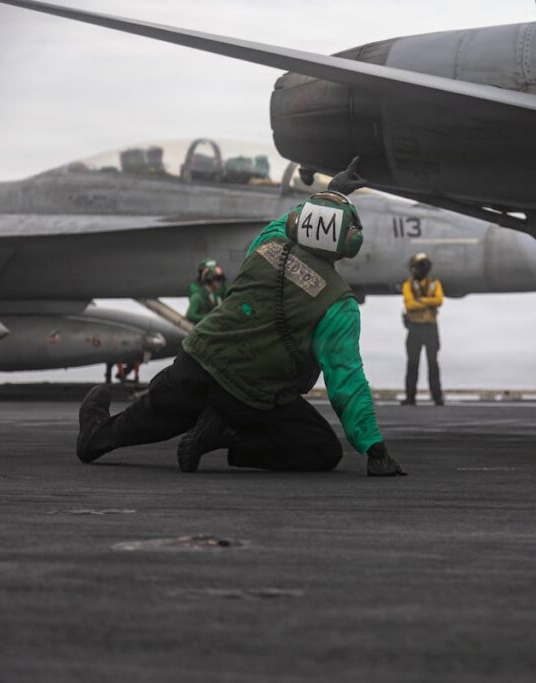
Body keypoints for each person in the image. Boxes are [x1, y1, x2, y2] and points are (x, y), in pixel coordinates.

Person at [75, 158, 407, 477]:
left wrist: (332, 193)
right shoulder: (338, 304)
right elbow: (345, 380)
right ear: (351, 242)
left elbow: (294, 219)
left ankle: (95, 437)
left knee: (151, 416)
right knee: (321, 450)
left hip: (196, 363)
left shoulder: (268, 242)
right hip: (250, 397)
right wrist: (374, 449)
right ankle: (224, 434)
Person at [401, 252, 444, 406]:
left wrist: (419, 300)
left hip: (431, 328)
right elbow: (409, 304)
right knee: (413, 363)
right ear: (413, 268)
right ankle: (410, 397)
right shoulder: (407, 284)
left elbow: (439, 300)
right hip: (415, 328)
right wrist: (429, 302)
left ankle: (437, 397)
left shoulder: (434, 283)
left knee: (433, 363)